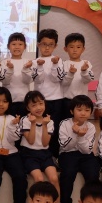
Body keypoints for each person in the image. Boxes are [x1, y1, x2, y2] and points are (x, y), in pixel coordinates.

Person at [58, 95, 100, 203]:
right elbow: (64, 146)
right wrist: (76, 134)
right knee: (68, 173)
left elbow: (87, 150)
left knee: (93, 173)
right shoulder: (64, 124)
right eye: (79, 109)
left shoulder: (91, 127)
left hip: (85, 155)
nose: (83, 113)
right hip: (67, 153)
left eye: (87, 110)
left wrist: (81, 137)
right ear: (72, 111)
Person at [19, 91, 60, 203]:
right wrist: (33, 123)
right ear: (28, 108)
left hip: (44, 153)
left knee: (54, 178)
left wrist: (44, 125)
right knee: (39, 179)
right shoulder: (25, 120)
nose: (38, 108)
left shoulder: (49, 121)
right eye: (34, 105)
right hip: (29, 154)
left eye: (41, 104)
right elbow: (31, 141)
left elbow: (45, 143)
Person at [32, 28, 66, 156]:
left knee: (54, 129)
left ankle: (54, 155)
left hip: (56, 100)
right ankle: (40, 154)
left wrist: (55, 65)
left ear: (55, 46)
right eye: (44, 44)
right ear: (38, 45)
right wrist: (40, 66)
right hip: (40, 102)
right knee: (40, 128)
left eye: (50, 45)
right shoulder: (34, 62)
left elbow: (57, 79)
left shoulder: (58, 60)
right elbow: (38, 79)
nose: (47, 48)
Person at [0, 32, 34, 118]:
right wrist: (10, 69)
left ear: (25, 46)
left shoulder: (28, 62)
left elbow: (28, 81)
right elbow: (5, 81)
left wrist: (26, 69)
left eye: (20, 44)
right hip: (8, 101)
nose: (17, 47)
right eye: (14, 44)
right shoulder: (4, 62)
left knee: (24, 123)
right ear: (8, 46)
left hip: (24, 100)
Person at [61, 32, 94, 120]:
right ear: (65, 49)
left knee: (81, 122)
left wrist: (84, 71)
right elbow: (64, 83)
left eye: (78, 47)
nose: (75, 50)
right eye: (71, 47)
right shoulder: (63, 64)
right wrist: (70, 73)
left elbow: (87, 80)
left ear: (83, 49)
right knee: (67, 122)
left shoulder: (86, 63)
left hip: (82, 100)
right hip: (67, 100)